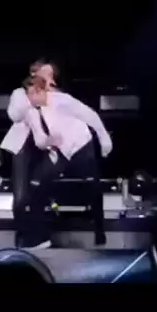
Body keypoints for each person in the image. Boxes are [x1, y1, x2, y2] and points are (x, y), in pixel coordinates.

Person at [17, 75, 112, 250]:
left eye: (31, 93)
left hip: (81, 146)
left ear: (40, 91)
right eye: (27, 94)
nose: (29, 98)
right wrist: (49, 141)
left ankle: (100, 230)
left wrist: (104, 138)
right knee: (36, 186)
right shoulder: (32, 113)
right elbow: (39, 141)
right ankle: (40, 238)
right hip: (60, 152)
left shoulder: (63, 101)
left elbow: (90, 116)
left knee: (93, 186)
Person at [0, 59, 59, 245]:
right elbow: (14, 115)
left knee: (39, 194)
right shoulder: (19, 93)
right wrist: (30, 96)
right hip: (23, 146)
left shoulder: (54, 94)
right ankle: (22, 235)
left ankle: (39, 237)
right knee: (20, 196)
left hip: (45, 148)